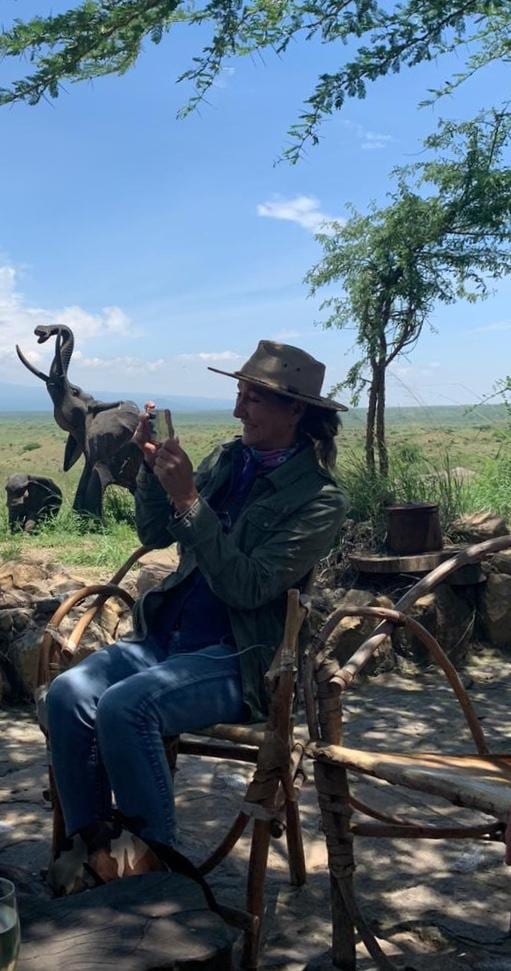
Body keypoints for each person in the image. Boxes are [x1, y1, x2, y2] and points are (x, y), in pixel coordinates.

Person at [45, 340, 347, 879]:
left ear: (296, 411)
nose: (237, 411)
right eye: (239, 394)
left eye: (252, 399)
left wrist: (189, 500)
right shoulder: (227, 460)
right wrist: (150, 475)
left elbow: (249, 588)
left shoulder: (320, 500)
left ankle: (152, 865)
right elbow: (155, 533)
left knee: (126, 707)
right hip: (167, 638)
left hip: (238, 660)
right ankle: (96, 849)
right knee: (68, 693)